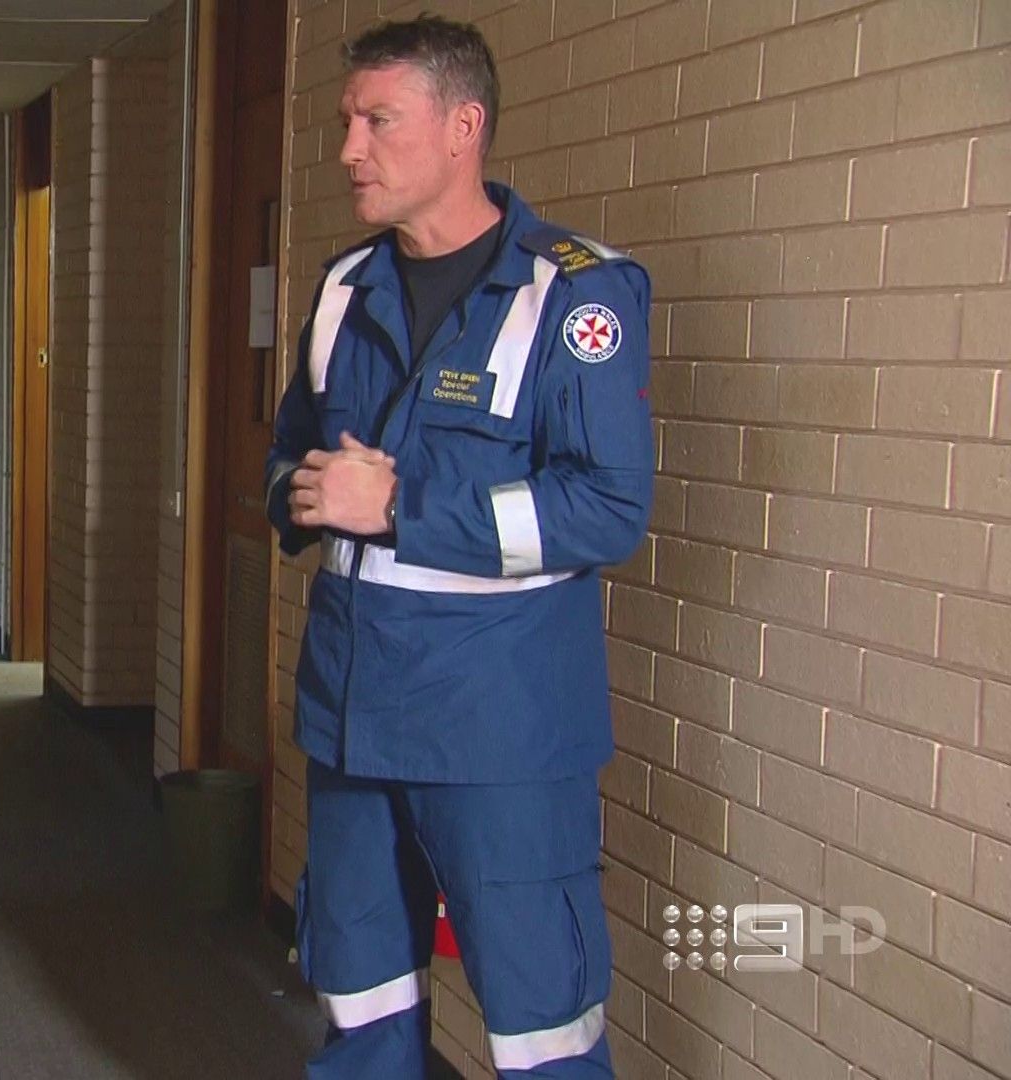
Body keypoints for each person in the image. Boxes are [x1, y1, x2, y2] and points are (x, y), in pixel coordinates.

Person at [265, 15, 652, 1079]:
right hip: (353, 716)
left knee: (539, 1026)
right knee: (363, 1003)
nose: (350, 149)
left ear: (461, 127)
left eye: (378, 121)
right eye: (347, 121)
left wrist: (401, 507)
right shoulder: (344, 289)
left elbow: (607, 507)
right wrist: (304, 495)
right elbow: (288, 455)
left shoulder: (574, 296)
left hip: (500, 730)